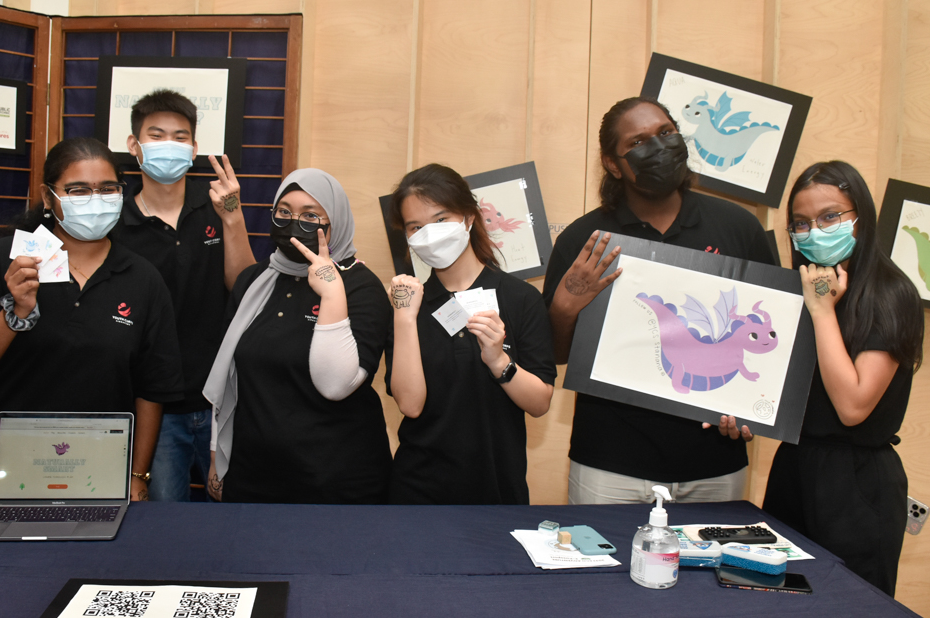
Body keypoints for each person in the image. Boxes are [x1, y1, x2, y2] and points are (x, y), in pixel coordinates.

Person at [542, 97, 775, 505]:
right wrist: (566, 305)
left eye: (666, 133)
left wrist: (752, 409)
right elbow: (556, 355)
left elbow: (772, 334)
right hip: (609, 464)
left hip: (715, 462)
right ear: (613, 164)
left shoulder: (740, 227)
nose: (658, 147)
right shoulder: (585, 240)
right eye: (637, 142)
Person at [0, 137, 183, 499]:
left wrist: (138, 476)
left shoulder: (142, 278)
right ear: (49, 196)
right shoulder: (6, 260)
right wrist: (14, 312)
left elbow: (152, 389)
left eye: (108, 188)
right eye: (78, 190)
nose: (95, 200)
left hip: (95, 475)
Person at [761, 161, 923, 596]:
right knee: (776, 597)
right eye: (801, 223)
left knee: (849, 603)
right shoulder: (802, 287)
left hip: (858, 483)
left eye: (830, 216)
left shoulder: (891, 294)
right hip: (794, 468)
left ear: (860, 216)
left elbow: (853, 406)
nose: (814, 231)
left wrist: (822, 311)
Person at [203, 168, 392, 504]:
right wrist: (219, 454)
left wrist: (331, 293)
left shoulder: (361, 287)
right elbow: (232, 378)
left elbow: (336, 385)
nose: (294, 223)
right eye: (284, 212)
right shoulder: (255, 281)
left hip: (336, 482)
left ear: (335, 222)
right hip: (252, 475)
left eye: (310, 216)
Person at [111, 89, 256, 502]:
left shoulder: (216, 208)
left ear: (194, 149)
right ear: (134, 145)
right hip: (152, 408)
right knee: (162, 525)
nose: (168, 145)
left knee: (234, 516)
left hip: (220, 399)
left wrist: (233, 217)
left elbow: (244, 287)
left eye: (180, 137)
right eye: (156, 136)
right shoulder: (114, 222)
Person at [386, 164, 557, 505]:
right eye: (416, 227)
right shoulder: (409, 304)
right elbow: (410, 405)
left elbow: (540, 403)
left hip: (497, 487)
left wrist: (499, 361)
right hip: (418, 490)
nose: (430, 234)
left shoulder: (520, 298)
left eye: (440, 219)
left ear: (468, 217)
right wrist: (405, 318)